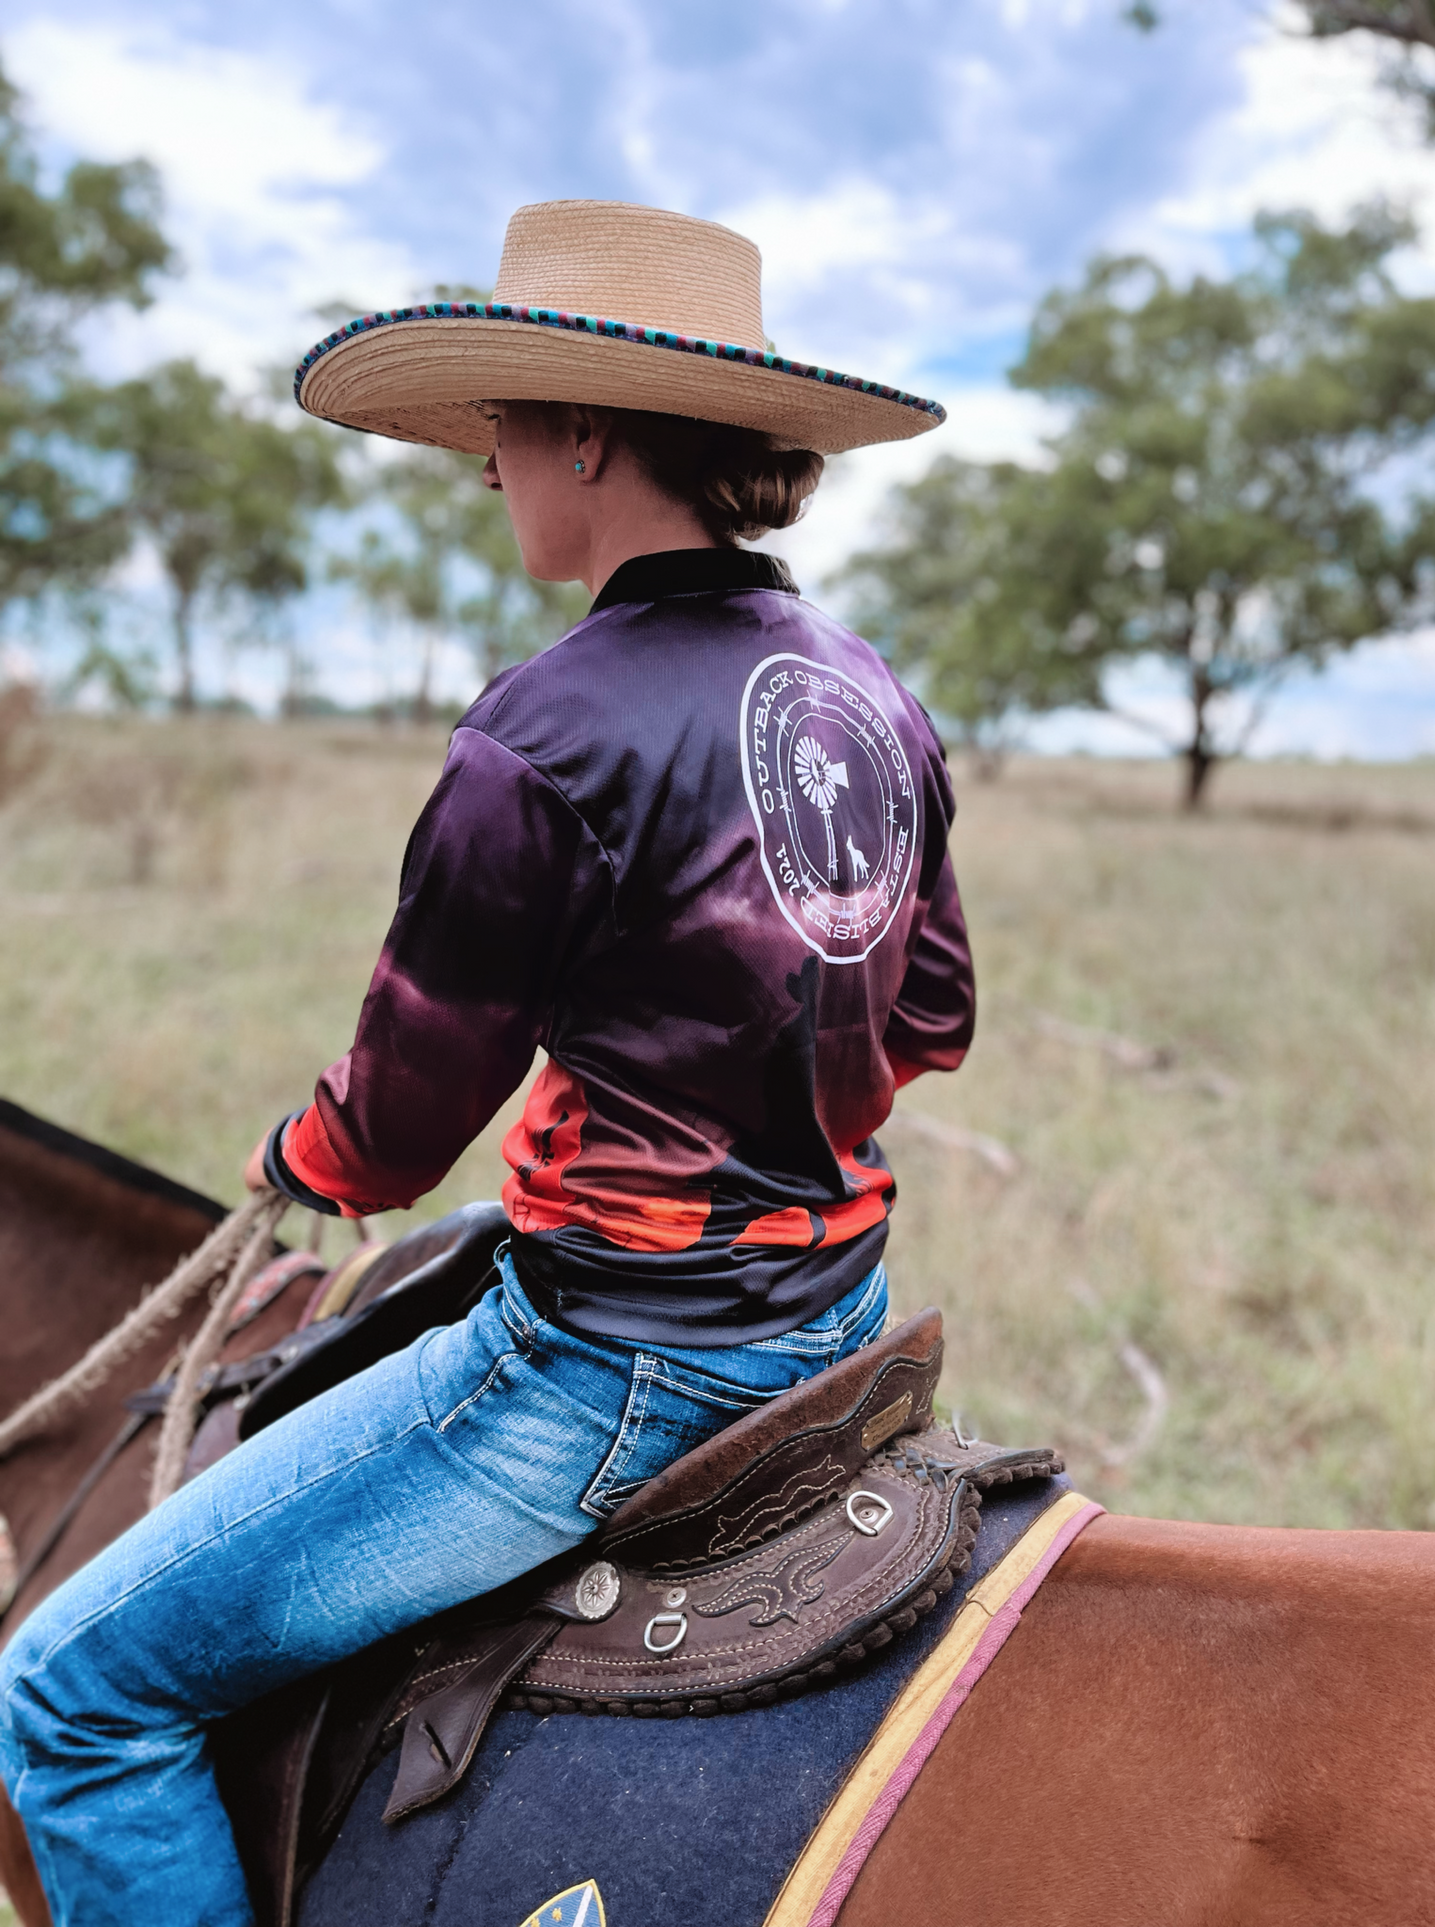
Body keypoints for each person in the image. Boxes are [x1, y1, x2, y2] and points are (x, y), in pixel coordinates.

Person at [0, 199, 974, 1927]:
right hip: (833, 1315)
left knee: (67, 1697)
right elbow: (930, 1016)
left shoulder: (545, 730)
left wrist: (302, 1157)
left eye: (503, 433)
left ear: (584, 432)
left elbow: (396, 1130)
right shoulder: (868, 696)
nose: (490, 471)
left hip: (609, 1370)